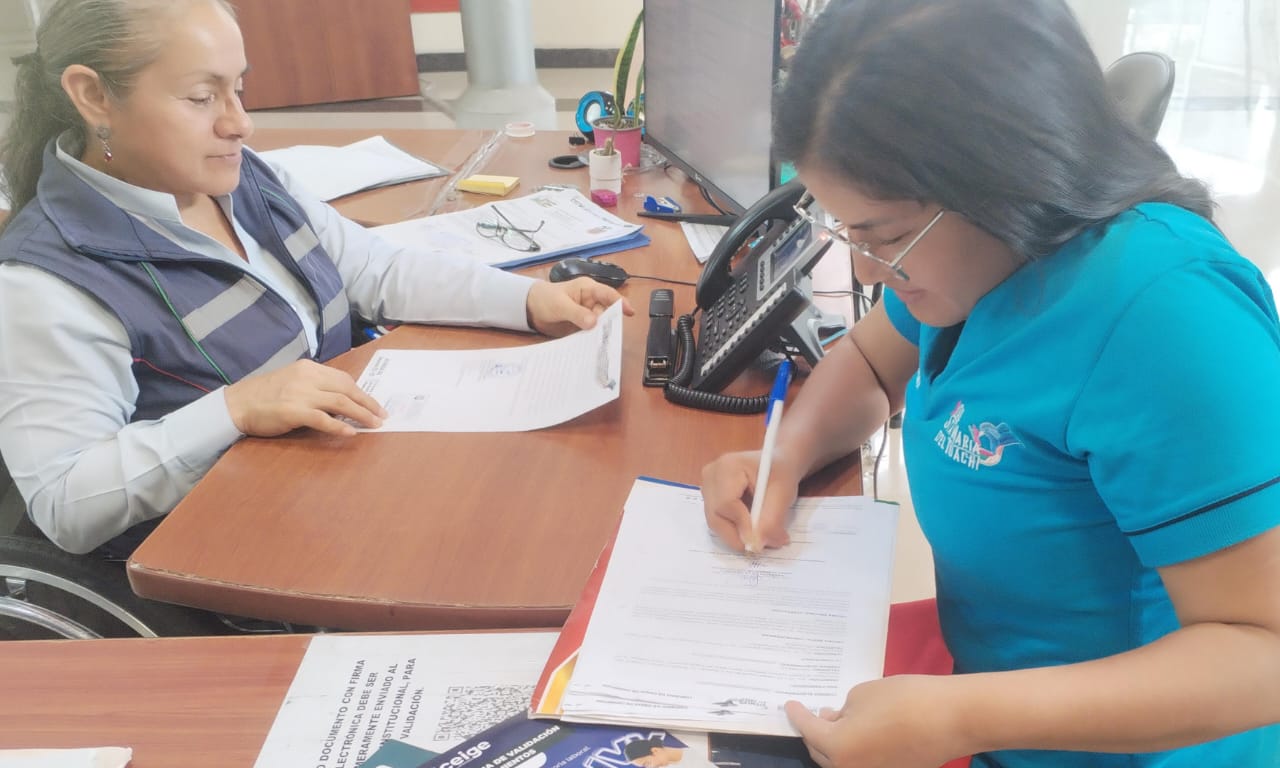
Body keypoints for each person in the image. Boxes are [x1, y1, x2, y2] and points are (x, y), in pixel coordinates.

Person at [699, 1, 1280, 767]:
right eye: (847, 233)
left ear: (1008, 180)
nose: (867, 271)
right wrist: (789, 452)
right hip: (987, 705)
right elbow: (869, 362)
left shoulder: (1168, 317)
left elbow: (1262, 653)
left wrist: (963, 718)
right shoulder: (974, 264)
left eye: (885, 237)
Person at [0, 0, 632, 558]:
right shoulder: (48, 283)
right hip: (235, 546)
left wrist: (530, 300)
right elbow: (65, 502)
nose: (239, 123)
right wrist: (236, 409)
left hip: (333, 479)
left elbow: (375, 268)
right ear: (93, 96)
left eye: (238, 89)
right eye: (201, 97)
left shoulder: (244, 176)